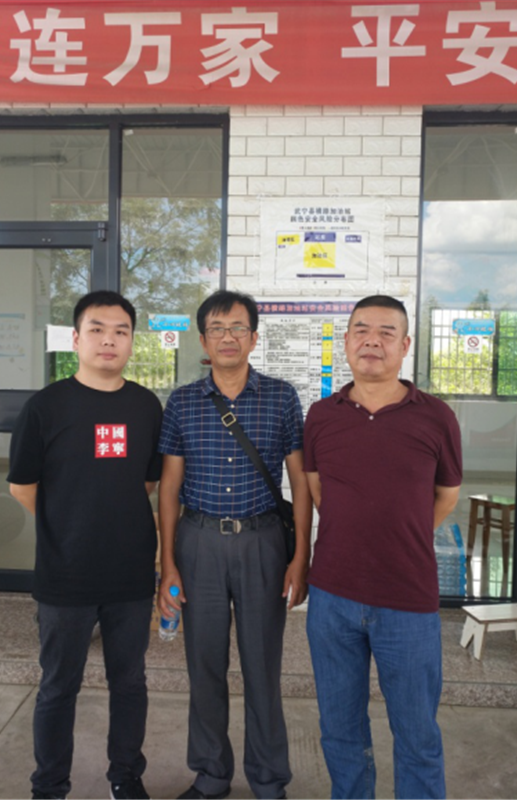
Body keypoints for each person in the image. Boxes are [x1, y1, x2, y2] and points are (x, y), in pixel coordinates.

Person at [304, 295, 462, 800]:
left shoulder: (436, 416)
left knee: (417, 733)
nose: (372, 341)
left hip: (408, 599)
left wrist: (401, 534)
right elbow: (318, 490)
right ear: (346, 341)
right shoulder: (321, 415)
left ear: (405, 345)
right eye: (361, 330)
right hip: (332, 597)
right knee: (340, 729)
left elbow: (447, 495)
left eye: (386, 332)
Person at [8, 290, 163, 800]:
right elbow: (22, 487)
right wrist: (69, 524)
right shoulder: (45, 406)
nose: (108, 340)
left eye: (120, 331)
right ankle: (49, 786)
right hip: (64, 575)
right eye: (97, 329)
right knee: (58, 687)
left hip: (130, 576)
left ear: (132, 342)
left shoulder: (146, 406)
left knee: (130, 683)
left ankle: (126, 776)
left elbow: (146, 482)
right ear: (76, 339)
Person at [158, 290, 312, 800]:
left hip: (263, 544)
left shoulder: (282, 397)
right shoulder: (182, 402)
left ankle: (268, 779)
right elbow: (170, 488)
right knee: (204, 666)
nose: (228, 337)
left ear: (254, 337)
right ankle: (211, 775)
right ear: (203, 340)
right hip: (198, 543)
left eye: (238, 327)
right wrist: (167, 564)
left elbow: (300, 482)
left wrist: (301, 557)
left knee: (262, 666)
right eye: (217, 329)